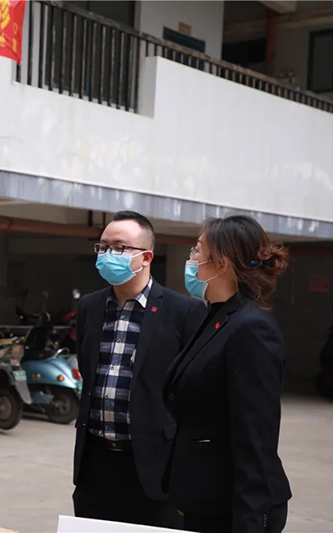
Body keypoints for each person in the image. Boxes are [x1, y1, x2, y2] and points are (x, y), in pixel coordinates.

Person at [72, 211, 206, 528]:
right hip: (95, 463)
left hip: (153, 466)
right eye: (103, 246)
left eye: (119, 248)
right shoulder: (90, 306)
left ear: (146, 257)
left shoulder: (183, 311)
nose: (108, 254)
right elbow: (88, 373)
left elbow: (194, 397)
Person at [163, 215, 292, 533]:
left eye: (197, 250)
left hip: (234, 508)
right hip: (205, 497)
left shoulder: (251, 328)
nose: (191, 258)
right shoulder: (217, 316)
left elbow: (255, 439)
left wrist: (250, 522)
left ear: (221, 263)